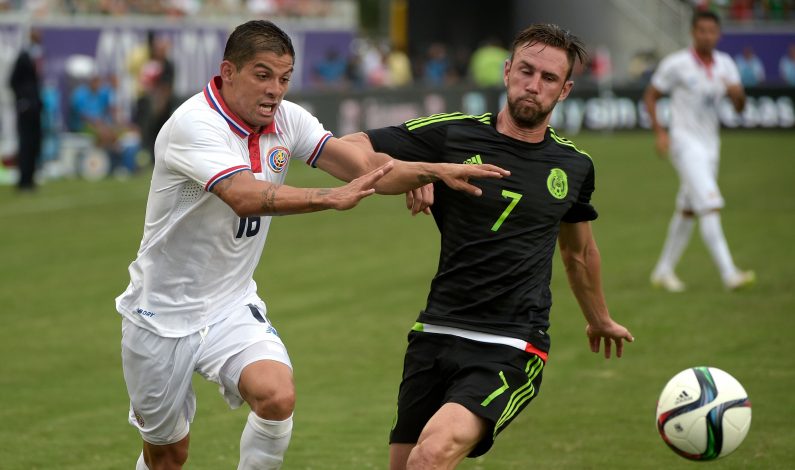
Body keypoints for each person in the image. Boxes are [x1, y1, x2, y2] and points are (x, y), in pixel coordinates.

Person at [115, 20, 508, 470]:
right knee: (168, 455)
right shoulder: (193, 125)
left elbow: (362, 164)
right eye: (262, 75)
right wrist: (330, 197)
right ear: (228, 71)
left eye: (283, 78)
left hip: (229, 304)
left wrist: (431, 171)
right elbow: (243, 196)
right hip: (160, 315)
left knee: (277, 395)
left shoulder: (286, 119)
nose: (275, 90)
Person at [342, 23, 634, 469]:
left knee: (431, 456)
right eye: (526, 71)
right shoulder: (452, 136)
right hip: (436, 331)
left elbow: (578, 253)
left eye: (548, 78)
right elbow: (349, 147)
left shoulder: (574, 166)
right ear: (506, 71)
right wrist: (418, 171)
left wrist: (600, 320)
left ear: (566, 89)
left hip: (512, 343)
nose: (533, 86)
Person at [644, 10, 755, 292]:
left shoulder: (726, 65)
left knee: (688, 210)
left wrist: (737, 94)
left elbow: (740, 107)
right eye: (702, 30)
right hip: (684, 143)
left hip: (710, 145)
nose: (707, 36)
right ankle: (729, 274)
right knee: (710, 204)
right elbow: (651, 95)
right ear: (693, 33)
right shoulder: (677, 64)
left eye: (712, 31)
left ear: (718, 34)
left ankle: (663, 270)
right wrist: (660, 132)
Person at [8, 28, 43, 192]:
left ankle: (30, 178)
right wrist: (23, 101)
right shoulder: (23, 57)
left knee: (34, 143)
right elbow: (13, 81)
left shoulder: (36, 57)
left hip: (35, 108)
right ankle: (23, 181)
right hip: (26, 108)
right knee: (26, 143)